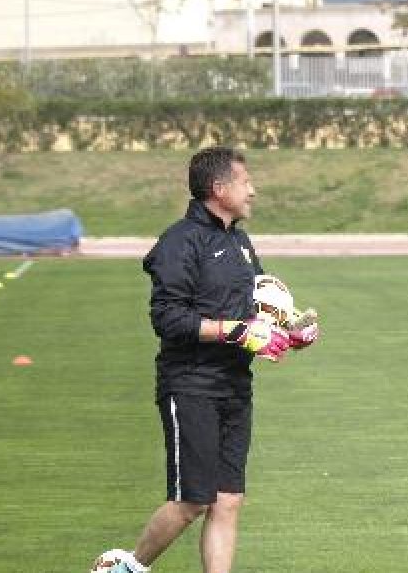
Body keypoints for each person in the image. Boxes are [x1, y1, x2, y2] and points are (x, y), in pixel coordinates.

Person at [98, 146, 318, 573]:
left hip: (235, 385)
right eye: (244, 182)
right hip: (190, 383)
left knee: (228, 499)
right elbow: (168, 318)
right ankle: (127, 566)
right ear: (219, 189)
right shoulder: (179, 242)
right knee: (192, 501)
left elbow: (253, 306)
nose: (253, 191)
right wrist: (235, 331)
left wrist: (287, 331)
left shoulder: (239, 241)